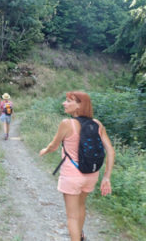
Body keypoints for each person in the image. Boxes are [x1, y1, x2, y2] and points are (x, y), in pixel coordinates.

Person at [39, 91, 115, 241]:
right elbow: (111, 151)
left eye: (68, 101)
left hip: (72, 176)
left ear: (80, 105)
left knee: (72, 217)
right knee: (81, 206)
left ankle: (77, 236)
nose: (64, 103)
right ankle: (80, 235)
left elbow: (53, 146)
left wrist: (44, 150)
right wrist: (106, 177)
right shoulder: (97, 124)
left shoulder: (67, 124)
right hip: (91, 175)